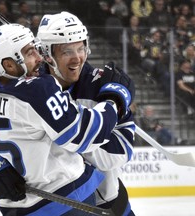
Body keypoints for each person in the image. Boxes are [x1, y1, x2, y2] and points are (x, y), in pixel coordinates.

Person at [0, 23, 133, 215]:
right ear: (8, 64)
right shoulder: (39, 92)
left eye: (80, 48)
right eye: (30, 52)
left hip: (15, 206)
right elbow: (86, 136)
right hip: (66, 197)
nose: (39, 58)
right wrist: (115, 99)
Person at [37, 11, 136, 215]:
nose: (77, 58)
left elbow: (121, 151)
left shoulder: (103, 86)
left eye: (80, 48)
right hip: (56, 205)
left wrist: (65, 138)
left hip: (107, 202)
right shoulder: (30, 89)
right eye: (66, 51)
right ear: (47, 54)